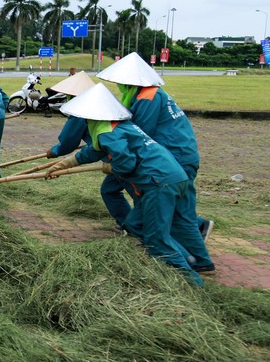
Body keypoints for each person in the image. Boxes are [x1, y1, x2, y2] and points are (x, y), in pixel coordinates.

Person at [49, 83, 213, 286]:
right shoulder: (115, 125)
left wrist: (112, 167)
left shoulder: (107, 132)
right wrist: (64, 165)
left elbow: (126, 162)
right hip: (173, 176)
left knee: (156, 238)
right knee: (135, 223)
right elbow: (94, 151)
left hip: (159, 182)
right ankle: (186, 257)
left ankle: (192, 284)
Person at [97, 52, 214, 250]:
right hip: (168, 157)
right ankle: (170, 235)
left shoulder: (148, 97)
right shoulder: (142, 95)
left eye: (120, 81)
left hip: (173, 158)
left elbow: (140, 134)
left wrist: (113, 155)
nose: (118, 85)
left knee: (170, 204)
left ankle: (172, 244)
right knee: (171, 204)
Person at [45, 71, 96, 159]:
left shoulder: (80, 111)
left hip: (114, 152)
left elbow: (68, 141)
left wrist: (55, 151)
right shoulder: (97, 103)